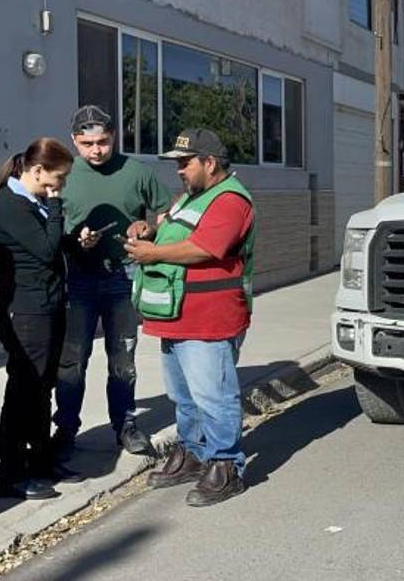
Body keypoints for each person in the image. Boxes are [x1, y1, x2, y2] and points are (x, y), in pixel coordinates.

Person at [124, 129, 255, 507]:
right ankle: (194, 453)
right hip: (178, 315)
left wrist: (153, 254)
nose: (179, 170)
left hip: (210, 318)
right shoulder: (193, 198)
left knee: (213, 396)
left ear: (209, 163)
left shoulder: (230, 200)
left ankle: (226, 464)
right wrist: (149, 230)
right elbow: (174, 229)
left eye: (185, 163)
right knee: (184, 398)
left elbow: (203, 248)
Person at [53, 106, 172, 459]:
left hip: (124, 276)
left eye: (103, 141)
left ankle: (126, 425)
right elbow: (48, 223)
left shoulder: (136, 171)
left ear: (114, 137)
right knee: (72, 359)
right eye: (87, 143)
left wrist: (149, 229)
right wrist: (75, 240)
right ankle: (66, 428)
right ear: (74, 140)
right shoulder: (65, 174)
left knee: (123, 357)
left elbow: (167, 212)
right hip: (78, 277)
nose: (96, 150)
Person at [0, 138, 89, 499]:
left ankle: (41, 463)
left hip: (46, 307)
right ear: (37, 171)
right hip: (26, 312)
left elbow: (52, 243)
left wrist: (76, 241)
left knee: (40, 390)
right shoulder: (11, 205)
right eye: (58, 178)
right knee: (22, 393)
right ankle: (10, 475)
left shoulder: (33, 203)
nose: (60, 186)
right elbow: (45, 251)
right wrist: (58, 204)